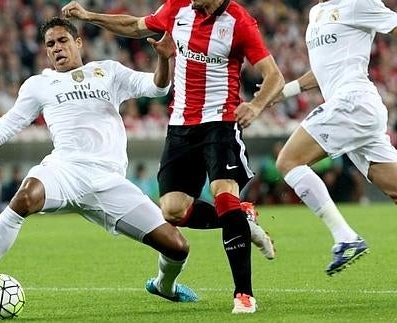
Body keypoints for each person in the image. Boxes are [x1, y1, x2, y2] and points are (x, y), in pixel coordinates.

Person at [0, 17, 198, 314]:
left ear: (78, 42)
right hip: (64, 171)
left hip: (109, 180)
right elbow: (1, 130)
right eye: (50, 44)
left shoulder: (108, 72)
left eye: (62, 41)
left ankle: (165, 286)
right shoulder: (39, 85)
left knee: (178, 247)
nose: (57, 48)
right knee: (24, 197)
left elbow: (157, 87)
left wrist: (164, 60)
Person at [62, 0, 284, 313]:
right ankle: (242, 222)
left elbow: (274, 76)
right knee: (173, 212)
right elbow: (136, 26)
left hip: (220, 122)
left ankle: (243, 295)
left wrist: (256, 105)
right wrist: (89, 16)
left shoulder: (239, 22)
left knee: (224, 197)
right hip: (181, 125)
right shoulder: (179, 7)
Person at [270, 0, 397, 276]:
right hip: (354, 110)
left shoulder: (358, 3)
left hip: (353, 102)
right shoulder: (316, 12)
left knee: (288, 161)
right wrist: (284, 91)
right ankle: (346, 239)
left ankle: (346, 238)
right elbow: (322, 71)